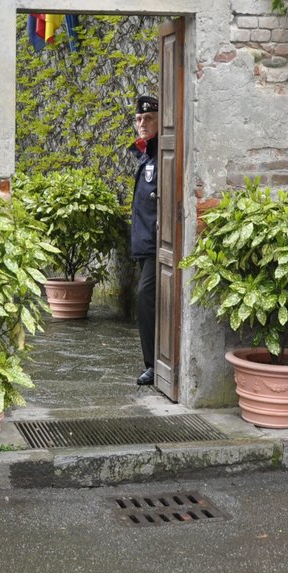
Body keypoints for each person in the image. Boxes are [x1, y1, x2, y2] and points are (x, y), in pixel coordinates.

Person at [129, 93, 159, 387]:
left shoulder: (163, 153)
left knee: (144, 299)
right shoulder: (145, 152)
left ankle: (152, 364)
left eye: (148, 119)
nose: (142, 124)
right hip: (144, 243)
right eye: (138, 119)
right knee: (150, 302)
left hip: (156, 243)